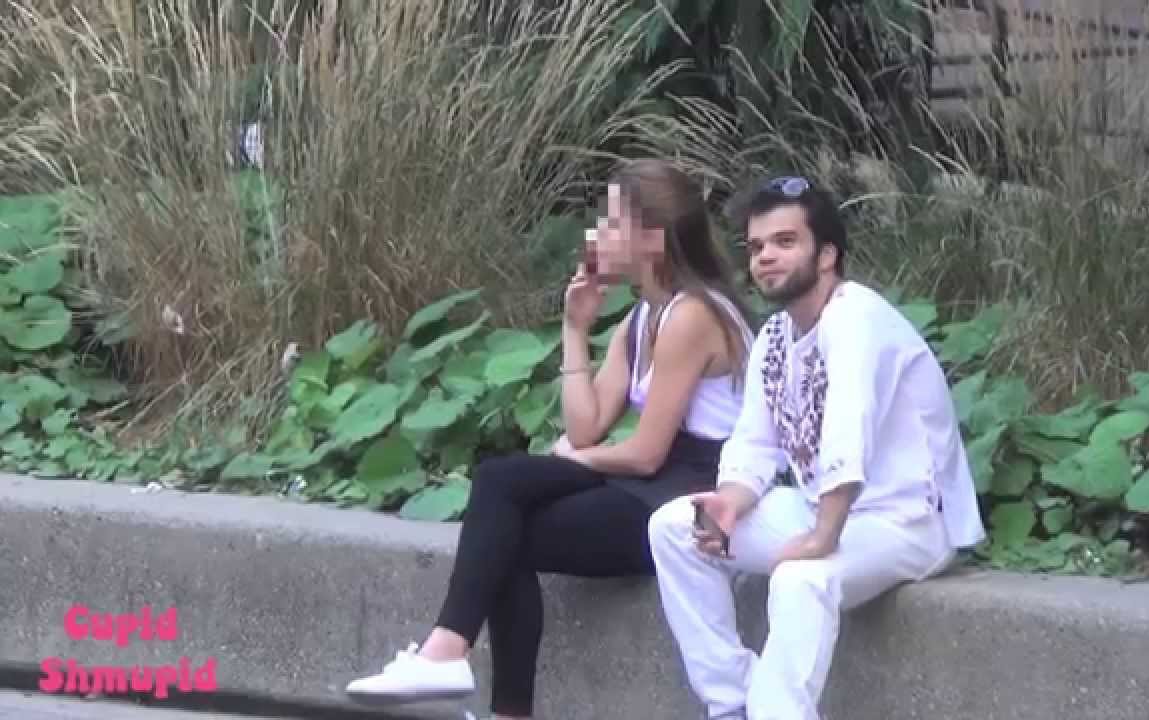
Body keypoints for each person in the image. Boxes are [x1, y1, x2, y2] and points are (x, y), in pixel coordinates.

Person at [343, 159, 757, 720]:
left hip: (689, 501)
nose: (598, 233)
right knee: (501, 512)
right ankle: (468, 675)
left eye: (612, 222)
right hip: (648, 487)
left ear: (652, 238)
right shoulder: (644, 318)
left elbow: (646, 453)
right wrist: (575, 327)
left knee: (501, 503)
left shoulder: (694, 315)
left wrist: (576, 457)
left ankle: (450, 657)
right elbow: (587, 424)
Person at [646, 176, 986, 720]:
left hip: (907, 521)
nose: (765, 257)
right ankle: (733, 702)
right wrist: (729, 501)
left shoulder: (857, 318)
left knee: (801, 578)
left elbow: (849, 428)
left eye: (785, 242)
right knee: (674, 528)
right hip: (820, 510)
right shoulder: (776, 336)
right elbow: (754, 442)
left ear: (827, 255)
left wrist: (822, 536)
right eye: (757, 246)